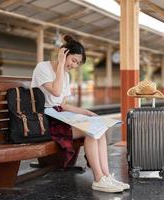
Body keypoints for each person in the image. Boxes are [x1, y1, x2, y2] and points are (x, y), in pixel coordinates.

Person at [31, 35, 129, 193]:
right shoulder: (42, 68)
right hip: (44, 119)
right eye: (73, 60)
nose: (74, 65)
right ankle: (98, 179)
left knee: (100, 128)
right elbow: (56, 92)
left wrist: (87, 112)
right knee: (91, 132)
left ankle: (105, 176)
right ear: (64, 53)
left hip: (58, 115)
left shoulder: (67, 76)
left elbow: (62, 105)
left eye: (78, 63)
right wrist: (61, 64)